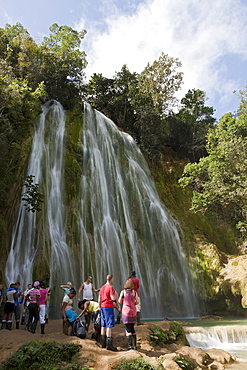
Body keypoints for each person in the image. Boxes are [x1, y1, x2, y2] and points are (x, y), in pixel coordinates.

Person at [99, 274, 118, 351]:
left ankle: (103, 343)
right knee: (109, 325)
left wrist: (100, 306)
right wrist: (116, 297)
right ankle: (109, 345)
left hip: (102, 306)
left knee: (103, 324)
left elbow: (99, 299)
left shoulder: (102, 287)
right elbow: (112, 298)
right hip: (108, 306)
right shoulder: (110, 287)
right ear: (111, 279)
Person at [119, 279, 139, 350]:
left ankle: (130, 346)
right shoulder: (134, 292)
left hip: (126, 312)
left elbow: (119, 301)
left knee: (128, 329)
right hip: (133, 312)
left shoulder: (123, 292)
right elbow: (137, 302)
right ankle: (134, 345)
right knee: (132, 328)